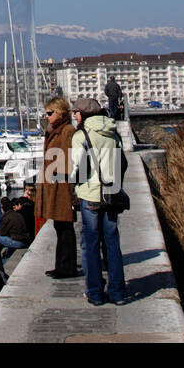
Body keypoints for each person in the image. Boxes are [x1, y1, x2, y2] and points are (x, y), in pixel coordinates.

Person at [70, 97, 128, 306]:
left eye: (76, 113)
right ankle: (118, 293)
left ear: (84, 115)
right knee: (112, 244)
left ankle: (95, 293)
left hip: (90, 195)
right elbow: (122, 163)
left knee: (91, 245)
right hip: (112, 193)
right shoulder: (113, 133)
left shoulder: (81, 136)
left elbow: (78, 167)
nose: (74, 116)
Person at [39, 96, 79, 279]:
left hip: (62, 185)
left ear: (60, 112)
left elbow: (72, 159)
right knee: (59, 226)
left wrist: (69, 186)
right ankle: (61, 265)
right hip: (55, 184)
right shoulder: (55, 130)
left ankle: (66, 267)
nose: (46, 116)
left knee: (65, 227)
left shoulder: (68, 131)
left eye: (49, 113)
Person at [0, 196, 32, 262]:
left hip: (19, 242)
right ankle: (3, 261)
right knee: (8, 251)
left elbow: (2, 233)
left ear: (3, 209)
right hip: (25, 240)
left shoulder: (7, 217)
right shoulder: (18, 214)